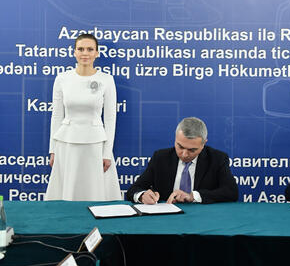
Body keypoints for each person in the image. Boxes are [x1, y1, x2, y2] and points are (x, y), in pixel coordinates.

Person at [45, 33, 121, 201]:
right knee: (66, 195)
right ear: (74, 52)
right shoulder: (62, 79)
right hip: (66, 144)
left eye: (90, 49)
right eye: (80, 49)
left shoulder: (107, 80)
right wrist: (53, 150)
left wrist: (107, 153)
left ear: (97, 53)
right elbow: (56, 116)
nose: (85, 53)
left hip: (95, 145)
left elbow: (110, 119)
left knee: (94, 193)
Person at [126, 117, 238, 204]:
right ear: (175, 139)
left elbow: (231, 192)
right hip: (166, 218)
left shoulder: (217, 158)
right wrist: (142, 196)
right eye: (180, 146)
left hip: (203, 218)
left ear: (203, 144)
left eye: (192, 150)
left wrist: (193, 196)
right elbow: (133, 189)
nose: (184, 154)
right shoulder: (160, 157)